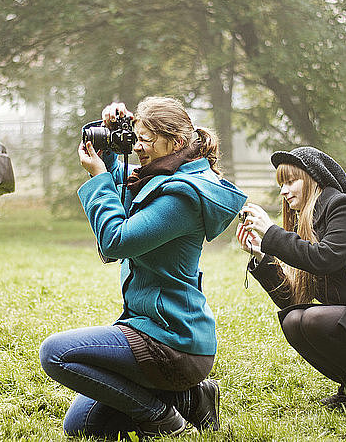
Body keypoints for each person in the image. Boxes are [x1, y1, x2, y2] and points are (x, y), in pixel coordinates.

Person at [39, 97, 247, 438]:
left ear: (176, 142)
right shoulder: (162, 174)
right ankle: (193, 398)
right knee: (82, 425)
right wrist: (110, 139)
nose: (137, 148)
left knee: (55, 353)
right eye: (134, 138)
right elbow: (123, 183)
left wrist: (97, 177)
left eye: (145, 141)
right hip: (146, 327)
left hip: (173, 342)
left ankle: (161, 418)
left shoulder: (183, 196)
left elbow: (116, 240)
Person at [236, 146, 346, 408]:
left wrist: (272, 233)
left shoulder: (341, 206)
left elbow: (323, 259)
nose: (283, 191)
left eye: (290, 181)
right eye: (280, 184)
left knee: (314, 318)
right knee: (294, 320)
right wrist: (262, 255)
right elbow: (292, 299)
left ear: (313, 178)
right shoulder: (305, 221)